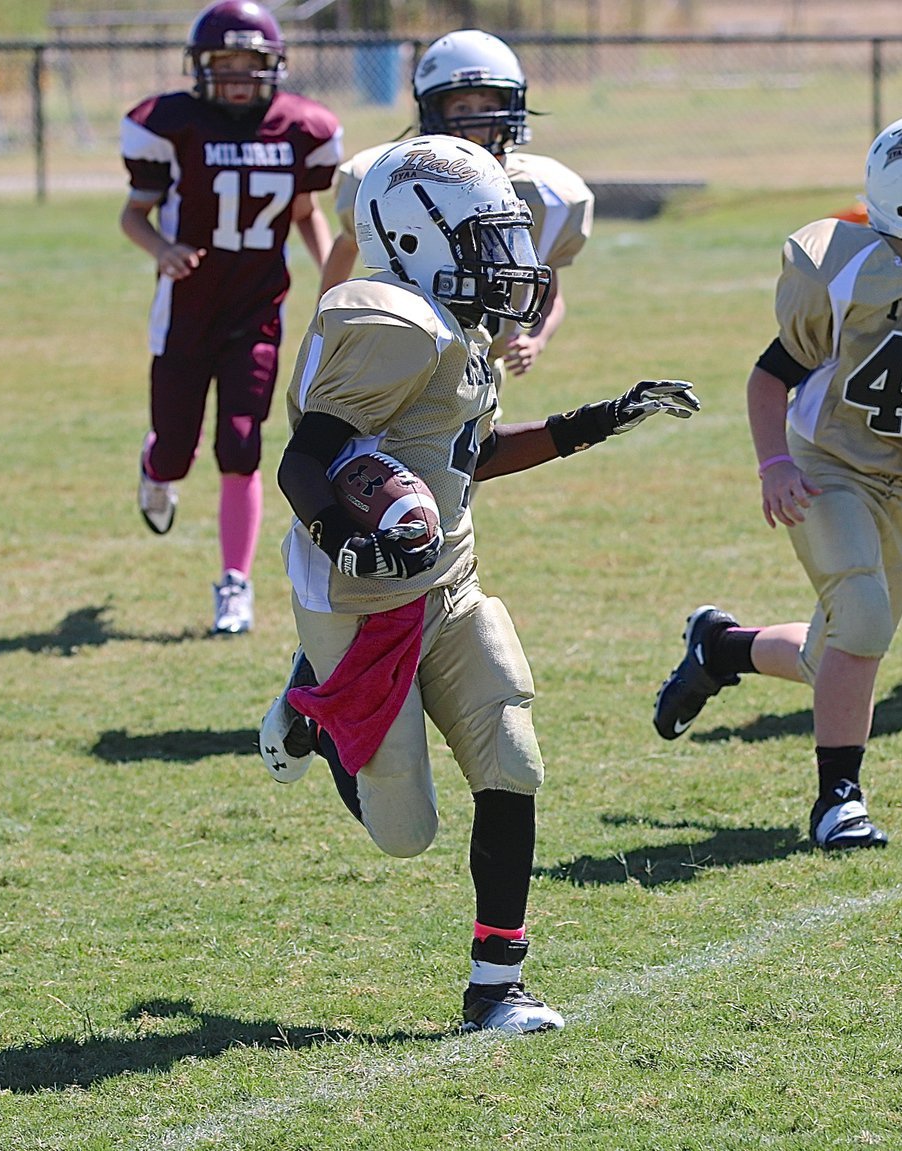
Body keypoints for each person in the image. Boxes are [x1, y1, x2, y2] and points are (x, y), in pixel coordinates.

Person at [258, 135, 699, 1032]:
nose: (507, 259)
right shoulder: (390, 322)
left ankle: (496, 986)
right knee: (404, 830)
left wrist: (598, 420)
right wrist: (352, 541)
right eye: (484, 238)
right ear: (417, 239)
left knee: (514, 756)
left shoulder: (459, 324)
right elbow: (304, 465)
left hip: (450, 576)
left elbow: (472, 455)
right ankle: (314, 701)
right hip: (360, 598)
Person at [652, 110, 902, 851]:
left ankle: (720, 647)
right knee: (861, 618)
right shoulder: (850, 269)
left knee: (836, 653)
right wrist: (775, 464)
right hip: (828, 463)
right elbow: (769, 380)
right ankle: (838, 800)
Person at [119, 0, 342, 634]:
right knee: (175, 455)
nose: (239, 75)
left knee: (242, 444)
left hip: (255, 312)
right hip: (185, 315)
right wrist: (162, 250)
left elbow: (304, 211)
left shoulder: (300, 128)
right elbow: (133, 213)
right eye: (225, 62)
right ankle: (154, 467)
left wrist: (334, 282)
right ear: (201, 68)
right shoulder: (173, 125)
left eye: (252, 63)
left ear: (275, 66)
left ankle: (235, 582)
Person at [320, 29, 593, 393]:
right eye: (461, 108)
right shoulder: (388, 174)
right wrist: (327, 322)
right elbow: (346, 246)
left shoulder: (549, 193)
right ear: (435, 110)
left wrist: (536, 340)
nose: (475, 121)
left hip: (481, 370)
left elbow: (549, 290)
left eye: (486, 107)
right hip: (402, 353)